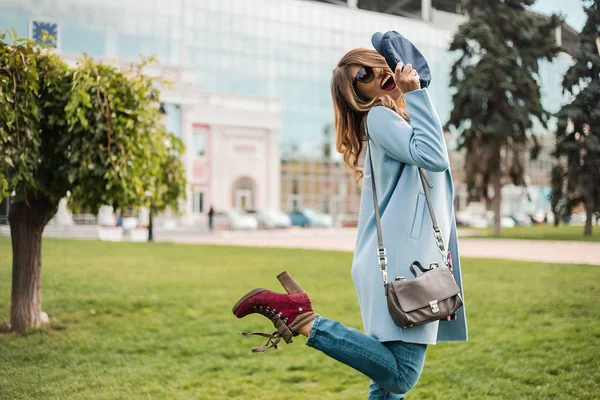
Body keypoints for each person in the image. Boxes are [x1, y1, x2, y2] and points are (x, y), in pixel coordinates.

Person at [232, 48, 467, 400]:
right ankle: (304, 319)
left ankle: (303, 317)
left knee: (387, 386)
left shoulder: (392, 120)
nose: (375, 75)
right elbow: (434, 156)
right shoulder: (379, 119)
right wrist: (416, 94)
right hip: (405, 269)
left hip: (400, 263)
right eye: (363, 78)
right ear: (359, 96)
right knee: (400, 375)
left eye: (373, 66)